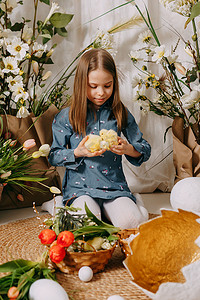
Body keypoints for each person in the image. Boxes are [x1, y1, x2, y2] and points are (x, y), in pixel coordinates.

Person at [48, 48, 151, 229]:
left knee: (132, 224)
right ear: (81, 84)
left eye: (107, 85)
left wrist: (128, 149)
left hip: (115, 188)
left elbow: (144, 147)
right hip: (80, 190)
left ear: (114, 83)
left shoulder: (120, 113)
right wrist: (77, 152)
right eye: (93, 86)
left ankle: (135, 203)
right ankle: (59, 204)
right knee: (85, 224)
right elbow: (54, 155)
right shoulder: (67, 116)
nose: (101, 93)